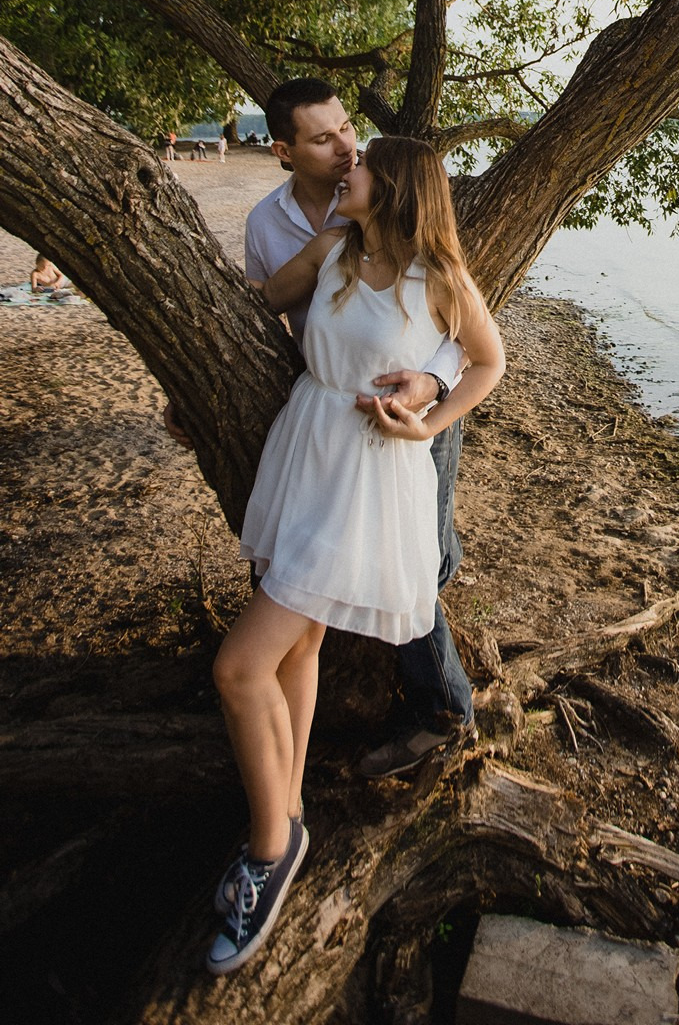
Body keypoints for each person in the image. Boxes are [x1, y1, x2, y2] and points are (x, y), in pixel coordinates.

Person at [206, 135, 505, 973]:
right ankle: (286, 810)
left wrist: (429, 416)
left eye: (362, 167)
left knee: (238, 669)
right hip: (305, 452)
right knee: (296, 647)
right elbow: (254, 304)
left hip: (366, 482)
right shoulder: (333, 248)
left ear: (399, 187)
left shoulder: (440, 278)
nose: (348, 174)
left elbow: (490, 361)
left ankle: (270, 852)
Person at [166, 78, 480, 771]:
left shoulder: (406, 225)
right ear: (285, 151)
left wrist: (430, 384)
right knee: (306, 566)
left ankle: (443, 706)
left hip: (407, 407)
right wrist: (184, 379)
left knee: (419, 563)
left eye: (347, 132)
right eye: (324, 138)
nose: (344, 147)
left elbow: (462, 334)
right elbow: (253, 316)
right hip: (320, 410)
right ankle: (285, 709)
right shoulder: (273, 227)